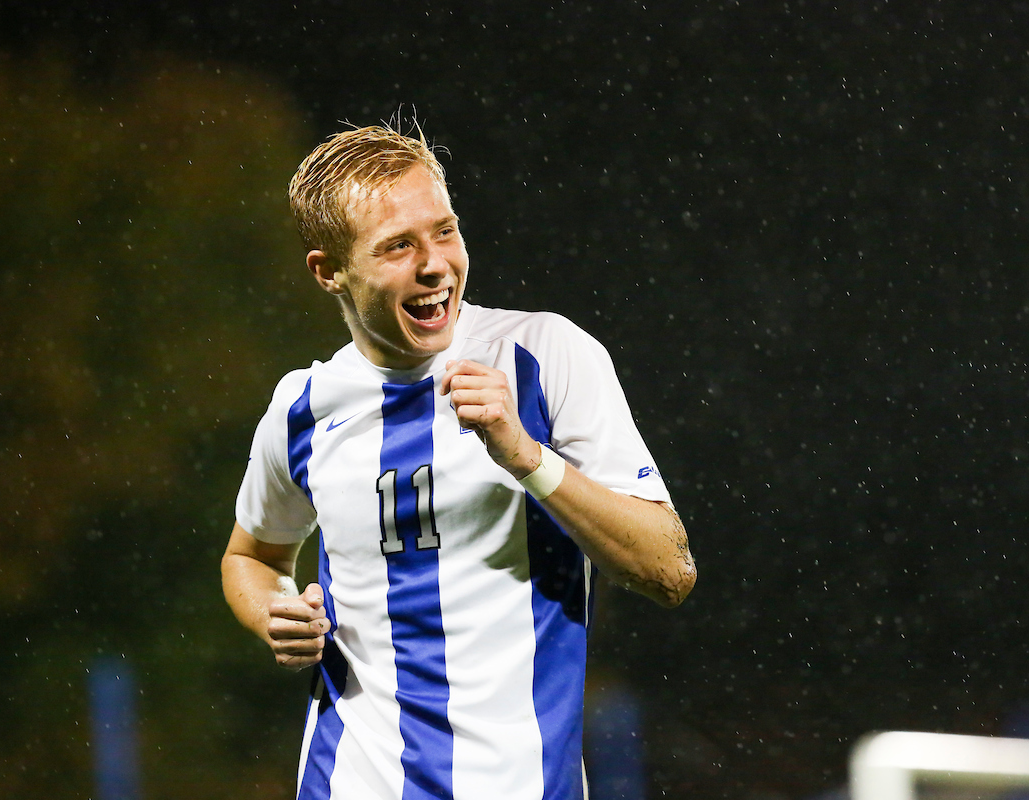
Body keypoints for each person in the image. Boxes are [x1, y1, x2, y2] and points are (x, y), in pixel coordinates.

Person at [221, 124, 696, 800]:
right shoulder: (303, 406)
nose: (434, 264)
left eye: (444, 231)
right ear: (329, 271)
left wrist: (527, 457)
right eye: (397, 247)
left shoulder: (545, 355)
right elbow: (252, 558)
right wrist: (274, 612)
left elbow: (669, 570)